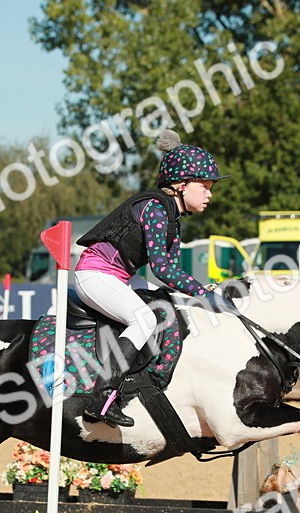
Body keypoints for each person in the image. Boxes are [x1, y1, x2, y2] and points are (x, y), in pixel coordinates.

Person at [72, 129, 233, 427]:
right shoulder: (155, 208)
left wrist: (202, 293)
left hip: (117, 276)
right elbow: (161, 268)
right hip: (94, 274)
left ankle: (150, 376)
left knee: (166, 301)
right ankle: (103, 396)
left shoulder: (173, 218)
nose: (210, 193)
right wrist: (204, 294)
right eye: (205, 186)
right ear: (181, 185)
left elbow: (173, 273)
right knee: (144, 319)